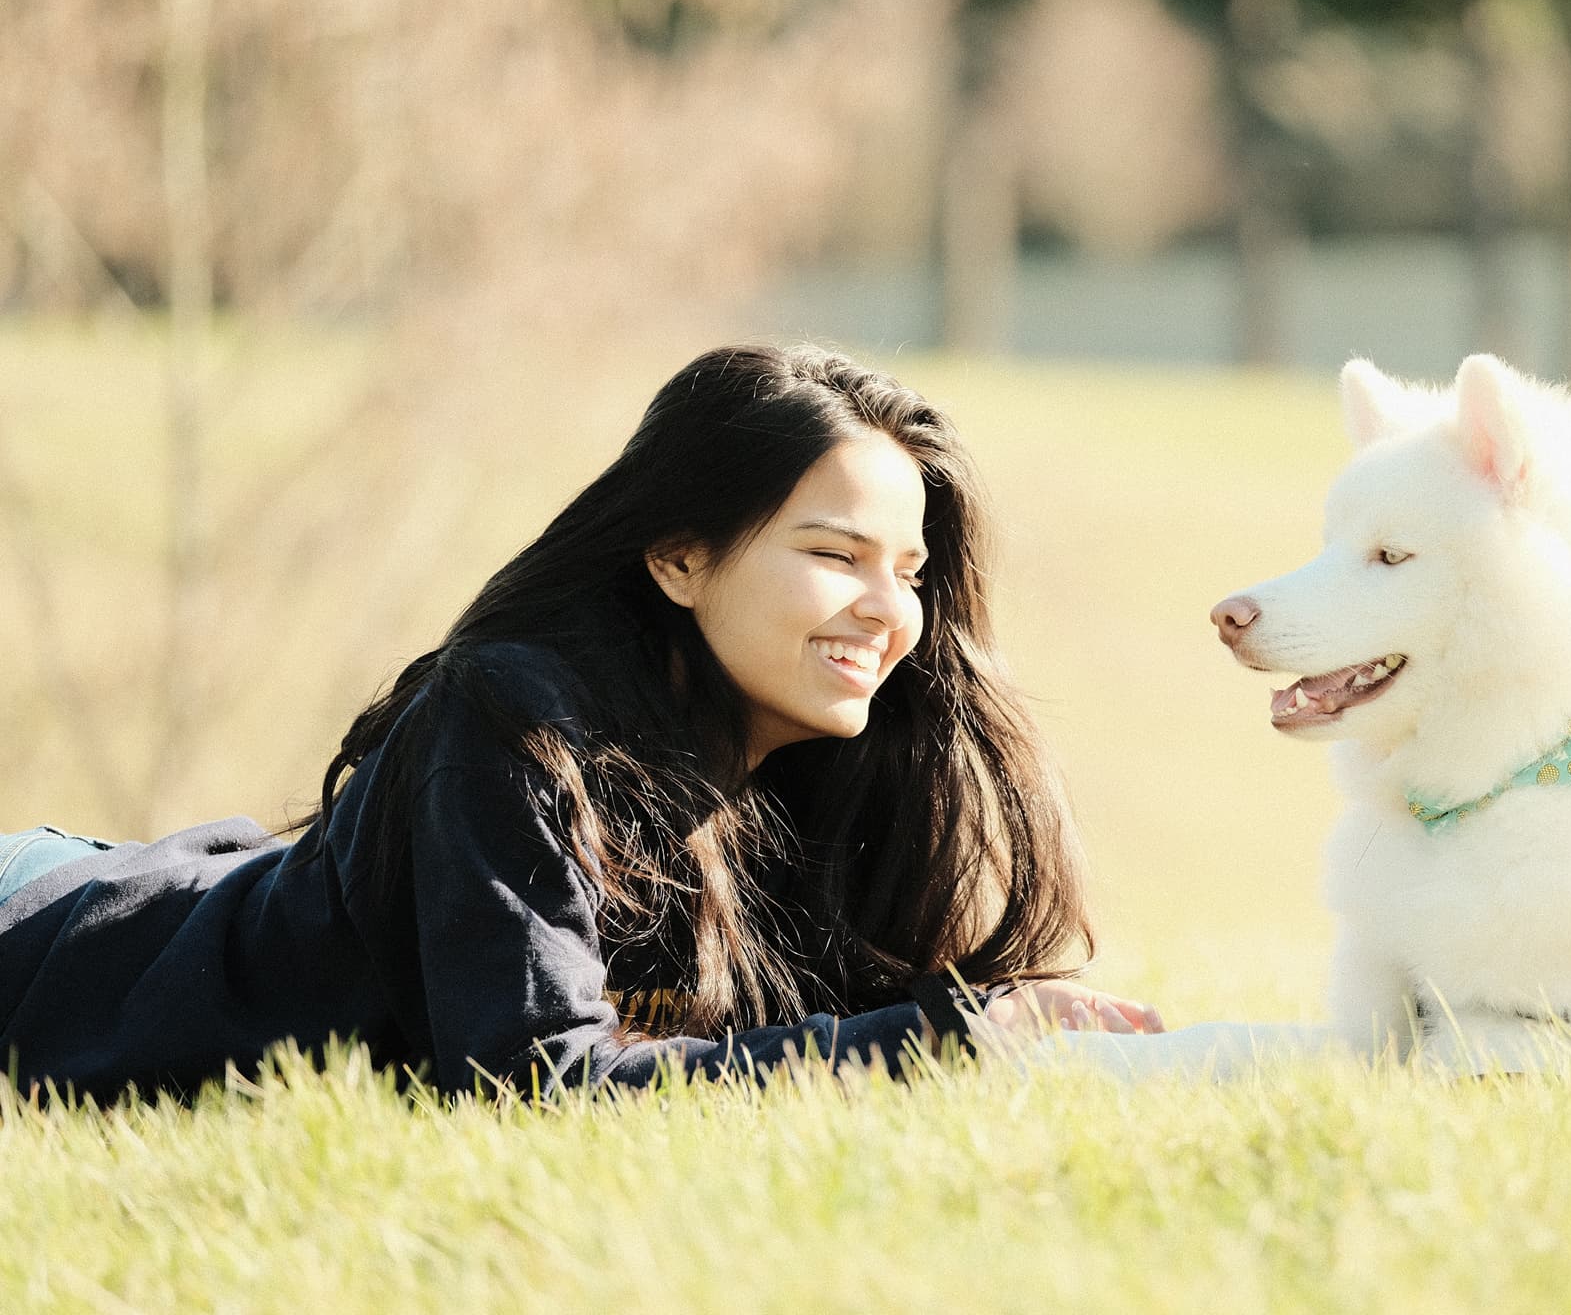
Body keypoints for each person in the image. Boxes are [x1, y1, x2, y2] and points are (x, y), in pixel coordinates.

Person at [0, 343, 1162, 1102]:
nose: (888, 608)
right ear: (677, 555)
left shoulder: (817, 784)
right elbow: (536, 1085)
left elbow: (777, 1053)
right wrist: (948, 1035)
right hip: (51, 947)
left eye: (907, 570)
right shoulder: (517, 717)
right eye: (833, 553)